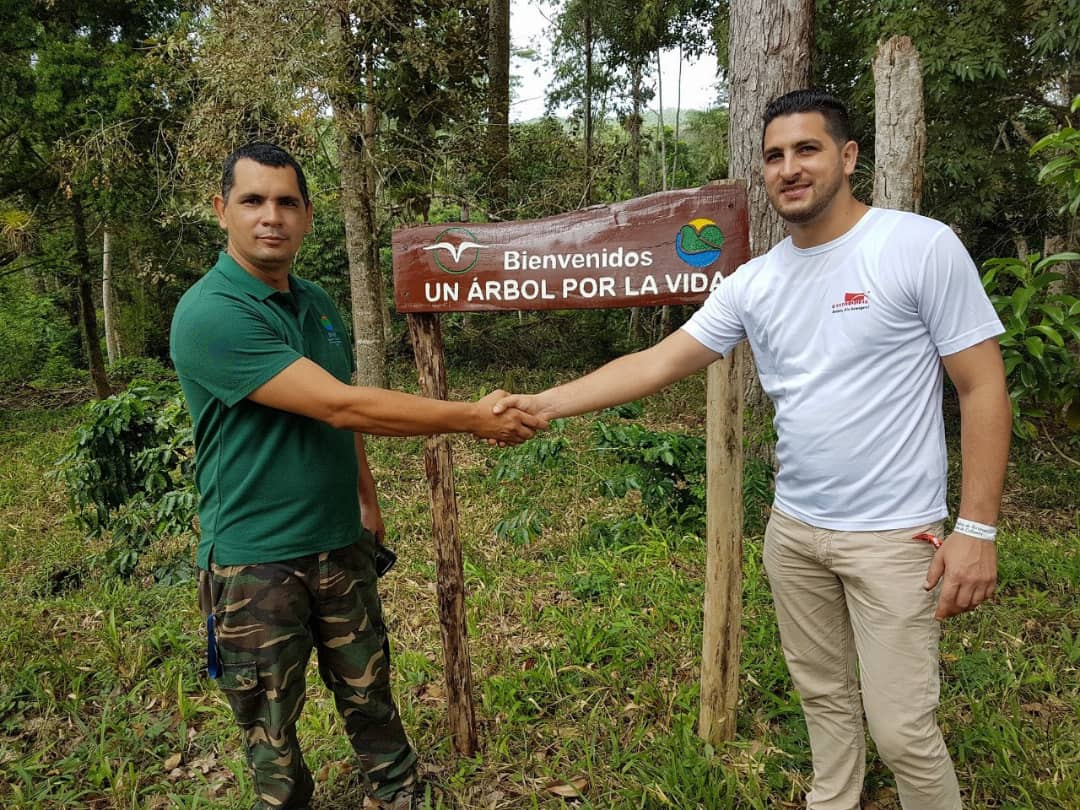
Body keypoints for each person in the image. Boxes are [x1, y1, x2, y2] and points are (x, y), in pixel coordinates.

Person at [493, 89, 1010, 809]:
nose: (789, 168)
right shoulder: (754, 283)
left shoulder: (917, 246)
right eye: (774, 156)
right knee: (824, 699)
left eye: (807, 149)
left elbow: (982, 389)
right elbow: (658, 363)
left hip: (895, 537)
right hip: (795, 533)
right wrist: (541, 404)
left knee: (902, 730)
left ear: (848, 156)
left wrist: (977, 530)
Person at [169, 143, 543, 810]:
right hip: (255, 563)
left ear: (308, 216)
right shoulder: (210, 313)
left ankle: (397, 794)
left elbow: (342, 415)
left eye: (287, 202)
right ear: (221, 210)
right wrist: (470, 418)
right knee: (271, 731)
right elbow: (339, 401)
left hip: (340, 543)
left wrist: (367, 503)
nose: (271, 217)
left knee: (370, 692)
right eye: (253, 201)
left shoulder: (315, 302)